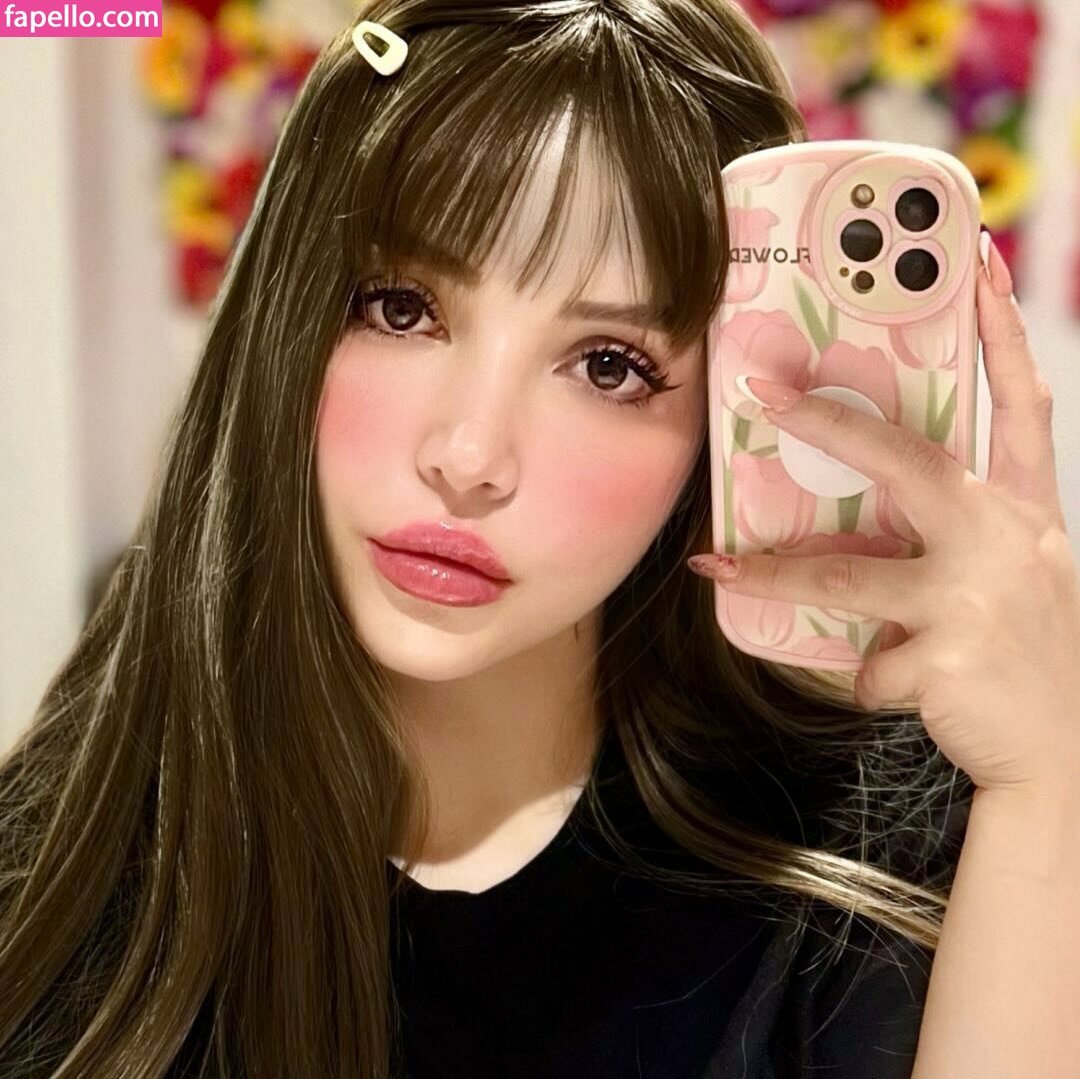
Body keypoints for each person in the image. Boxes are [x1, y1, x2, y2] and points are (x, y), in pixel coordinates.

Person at [0, 2, 974, 1076]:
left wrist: (1049, 787)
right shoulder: (69, 871)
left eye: (609, 365)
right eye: (401, 307)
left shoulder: (871, 866)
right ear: (287, 315)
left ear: (719, 427)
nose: (469, 457)